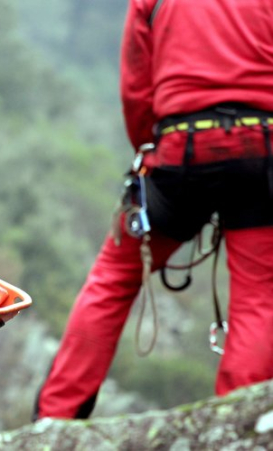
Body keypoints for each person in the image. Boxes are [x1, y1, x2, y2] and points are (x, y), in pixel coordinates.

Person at [34, 0, 273, 420]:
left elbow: (136, 88)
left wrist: (151, 150)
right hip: (262, 149)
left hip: (180, 150)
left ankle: (57, 416)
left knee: (114, 276)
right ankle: (238, 427)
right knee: (259, 296)